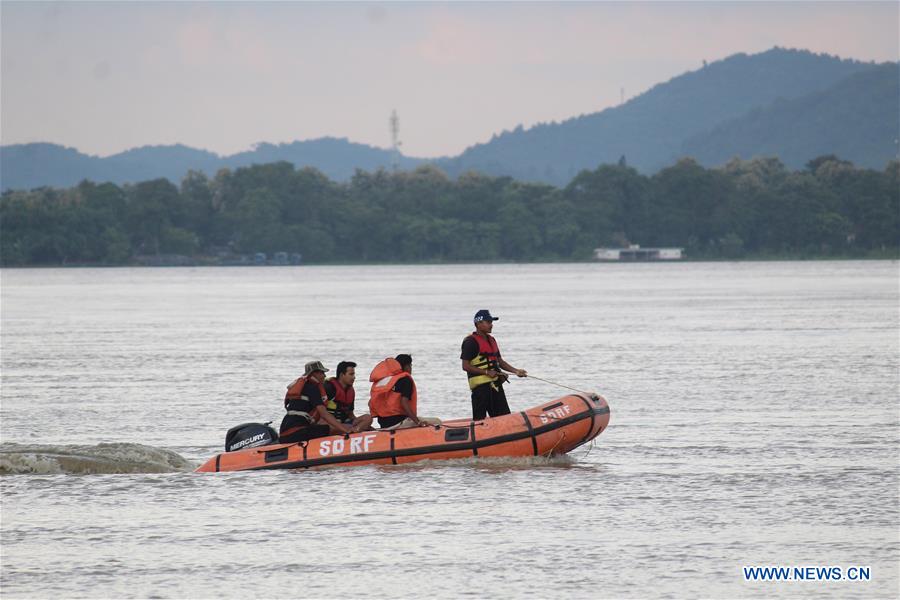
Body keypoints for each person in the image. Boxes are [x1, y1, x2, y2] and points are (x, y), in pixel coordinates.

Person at [460, 309, 527, 420]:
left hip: (496, 386)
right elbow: (465, 366)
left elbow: (500, 361)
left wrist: (516, 371)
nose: (491, 325)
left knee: (504, 418)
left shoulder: (492, 340)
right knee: (480, 421)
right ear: (478, 324)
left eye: (491, 322)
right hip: (480, 389)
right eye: (489, 322)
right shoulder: (470, 342)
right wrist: (486, 372)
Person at [279, 360, 352, 443]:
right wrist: (345, 430)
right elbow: (324, 413)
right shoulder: (312, 388)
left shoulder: (304, 386)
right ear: (314, 373)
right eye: (322, 373)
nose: (324, 376)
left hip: (285, 431)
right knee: (333, 428)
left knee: (326, 427)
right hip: (296, 432)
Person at [368, 354, 438, 429]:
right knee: (437, 422)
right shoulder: (406, 380)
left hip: (383, 423)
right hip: (399, 422)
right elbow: (404, 402)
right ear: (407, 366)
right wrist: (418, 422)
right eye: (410, 365)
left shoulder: (385, 381)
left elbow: (370, 403)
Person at [323, 361, 373, 433]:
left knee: (368, 418)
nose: (354, 377)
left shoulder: (351, 391)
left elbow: (350, 414)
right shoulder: (329, 387)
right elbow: (321, 412)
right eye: (351, 374)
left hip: (346, 423)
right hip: (331, 424)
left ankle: (355, 431)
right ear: (341, 375)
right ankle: (351, 432)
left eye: (354, 374)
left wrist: (367, 426)